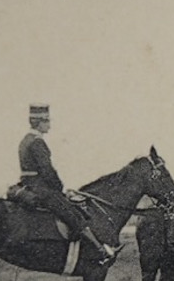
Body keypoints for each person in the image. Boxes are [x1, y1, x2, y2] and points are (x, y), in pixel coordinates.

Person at [15, 103, 120, 262]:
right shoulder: (37, 142)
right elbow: (47, 171)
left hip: (27, 185)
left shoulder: (25, 140)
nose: (49, 125)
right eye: (47, 121)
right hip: (40, 188)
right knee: (73, 214)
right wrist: (59, 188)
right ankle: (100, 250)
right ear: (39, 122)